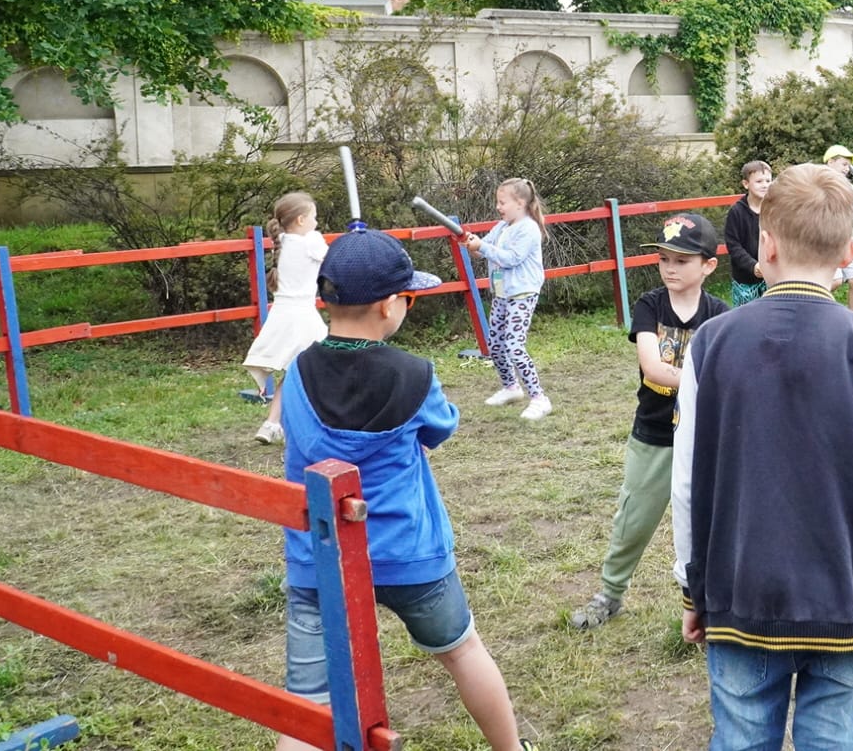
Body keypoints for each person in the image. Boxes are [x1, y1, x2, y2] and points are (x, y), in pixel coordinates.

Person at [672, 163, 853, 751]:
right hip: (849, 605)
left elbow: (687, 483)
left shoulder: (709, 345)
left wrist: (693, 588)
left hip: (740, 595)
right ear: (848, 252)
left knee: (740, 741)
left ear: (765, 246)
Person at [276, 228, 535, 751]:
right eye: (410, 298)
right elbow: (441, 427)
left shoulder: (298, 372)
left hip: (321, 560)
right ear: (389, 305)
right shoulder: (415, 375)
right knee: (463, 651)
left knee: (307, 706)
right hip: (408, 553)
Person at [570, 212, 729, 631]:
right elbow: (654, 368)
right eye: (664, 259)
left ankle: (712, 603)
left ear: (709, 265)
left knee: (711, 524)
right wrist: (701, 379)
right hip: (654, 434)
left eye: (682, 260)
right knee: (633, 519)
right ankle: (610, 594)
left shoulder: (719, 315)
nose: (670, 268)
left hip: (703, 437)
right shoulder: (650, 305)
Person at [242, 191, 328, 445]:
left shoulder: (284, 241)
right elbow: (333, 260)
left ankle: (272, 423)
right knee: (321, 365)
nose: (316, 222)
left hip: (282, 314)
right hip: (303, 317)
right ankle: (316, 422)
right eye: (314, 217)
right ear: (301, 220)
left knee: (295, 372)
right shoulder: (311, 241)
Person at [463, 178, 550, 421]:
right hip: (502, 293)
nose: (498, 207)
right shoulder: (502, 227)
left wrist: (482, 246)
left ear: (520, 203)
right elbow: (484, 250)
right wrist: (473, 245)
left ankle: (539, 398)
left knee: (514, 346)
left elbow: (511, 258)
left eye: (502, 202)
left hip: (522, 294)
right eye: (498, 202)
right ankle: (511, 387)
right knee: (495, 345)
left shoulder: (529, 229)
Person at [723, 160, 772, 306]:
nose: (765, 185)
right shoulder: (736, 212)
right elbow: (733, 245)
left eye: (768, 181)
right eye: (759, 181)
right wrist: (752, 266)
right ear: (746, 184)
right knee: (746, 316)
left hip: (771, 277)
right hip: (745, 281)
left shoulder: (774, 210)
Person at [823, 145, 853, 312]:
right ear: (830, 162)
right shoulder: (822, 183)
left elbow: (851, 216)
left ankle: (852, 317)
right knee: (835, 282)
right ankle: (809, 301)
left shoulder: (848, 186)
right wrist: (848, 197)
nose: (847, 169)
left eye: (849, 165)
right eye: (844, 164)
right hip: (828, 241)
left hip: (846, 240)